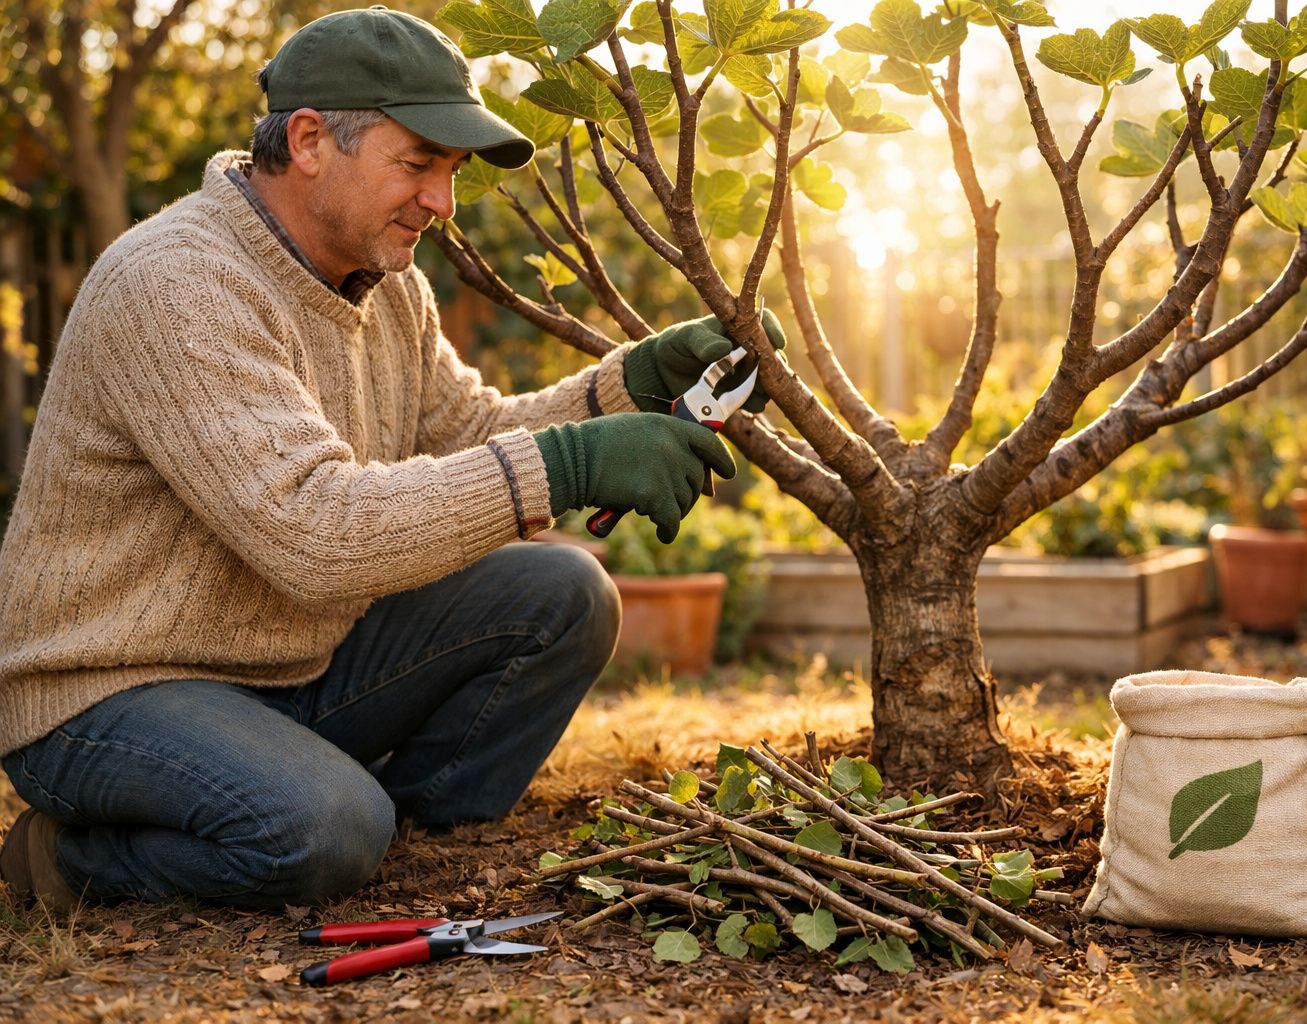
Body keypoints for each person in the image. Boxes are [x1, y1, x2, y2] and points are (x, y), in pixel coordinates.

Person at [0, 6, 783, 909]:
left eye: (447, 173)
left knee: (561, 595)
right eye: (417, 165)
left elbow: (468, 431)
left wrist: (632, 385)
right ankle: (68, 860)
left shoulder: (385, 284)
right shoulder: (176, 283)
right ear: (308, 141)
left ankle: (399, 842)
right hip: (111, 690)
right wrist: (571, 464)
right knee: (324, 828)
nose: (442, 204)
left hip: (292, 662)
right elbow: (314, 530)